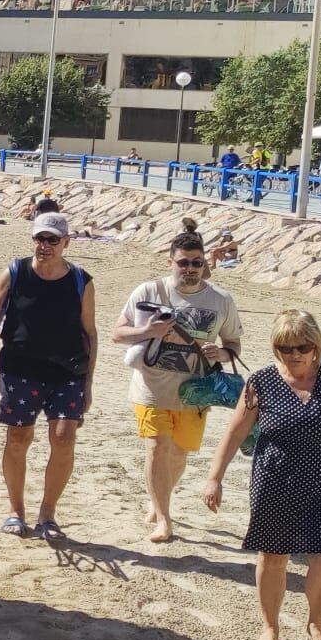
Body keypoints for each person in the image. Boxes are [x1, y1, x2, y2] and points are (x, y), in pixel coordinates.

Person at [202, 310, 321, 640]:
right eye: (286, 347)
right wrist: (215, 476)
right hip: (276, 482)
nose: (295, 354)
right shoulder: (261, 382)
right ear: (276, 348)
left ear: (316, 345)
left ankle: (316, 623)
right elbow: (235, 432)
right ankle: (270, 625)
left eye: (302, 346)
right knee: (273, 557)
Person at [0, 213, 97, 541]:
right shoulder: (15, 273)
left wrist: (89, 384)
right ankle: (15, 511)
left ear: (66, 242)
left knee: (64, 437)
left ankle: (48, 515)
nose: (45, 246)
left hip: (68, 372)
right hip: (20, 369)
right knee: (19, 438)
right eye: (40, 238)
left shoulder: (81, 280)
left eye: (53, 240)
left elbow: (90, 333)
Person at [110, 233, 242, 543]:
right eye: (183, 263)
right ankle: (164, 519)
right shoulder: (149, 290)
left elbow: (234, 344)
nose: (190, 268)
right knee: (157, 446)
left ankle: (158, 502)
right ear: (171, 262)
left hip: (195, 392)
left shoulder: (221, 301)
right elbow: (118, 333)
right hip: (151, 386)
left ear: (205, 263)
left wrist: (221, 353)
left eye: (197, 263)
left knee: (179, 454)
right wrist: (147, 330)